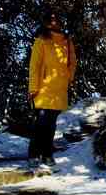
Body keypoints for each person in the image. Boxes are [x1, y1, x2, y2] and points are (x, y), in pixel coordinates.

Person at [27, 9, 77, 168]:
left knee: (51, 124)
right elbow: (34, 66)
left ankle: (47, 154)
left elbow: (72, 62)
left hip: (59, 89)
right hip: (42, 89)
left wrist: (67, 78)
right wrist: (33, 88)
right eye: (51, 20)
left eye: (56, 19)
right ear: (46, 22)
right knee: (40, 123)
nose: (54, 23)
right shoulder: (41, 40)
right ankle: (34, 155)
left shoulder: (67, 41)